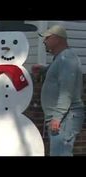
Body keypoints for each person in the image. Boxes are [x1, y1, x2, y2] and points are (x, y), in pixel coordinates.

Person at [32, 25, 85, 156]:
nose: (44, 41)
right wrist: (44, 69)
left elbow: (66, 91)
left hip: (66, 118)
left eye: (47, 38)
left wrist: (57, 118)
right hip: (63, 118)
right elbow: (58, 73)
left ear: (57, 39)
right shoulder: (61, 58)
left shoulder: (67, 58)